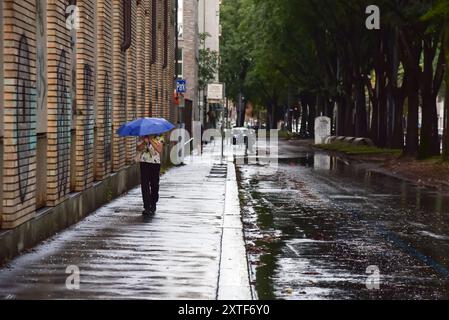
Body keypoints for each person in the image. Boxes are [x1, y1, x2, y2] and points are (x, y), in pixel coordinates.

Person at [136, 135, 164, 215]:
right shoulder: (141, 137)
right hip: (144, 163)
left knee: (154, 185)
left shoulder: (159, 137)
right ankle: (147, 207)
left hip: (155, 164)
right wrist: (144, 142)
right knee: (145, 185)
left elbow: (159, 150)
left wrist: (150, 140)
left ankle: (153, 203)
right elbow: (138, 149)